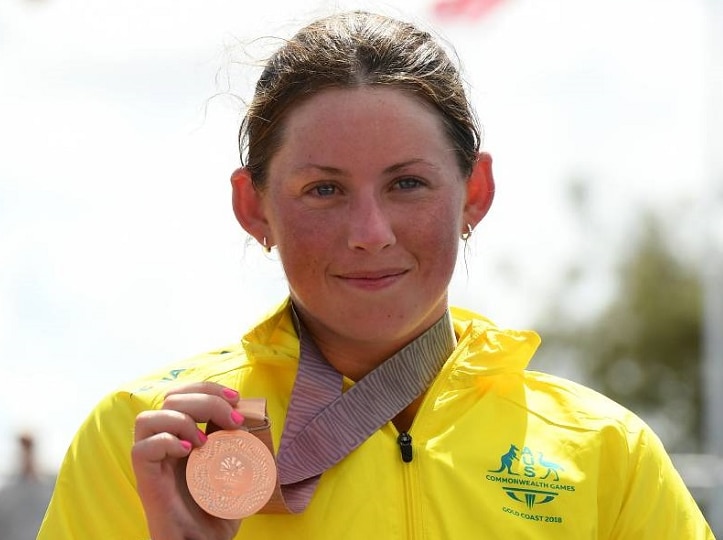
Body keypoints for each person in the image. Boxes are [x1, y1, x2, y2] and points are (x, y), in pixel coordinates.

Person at [38, 9, 714, 540]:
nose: (369, 233)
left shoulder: (602, 451)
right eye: (324, 191)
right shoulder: (149, 441)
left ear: (473, 193)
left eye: (408, 183)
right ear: (254, 207)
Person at [0, 433, 55, 539]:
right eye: (24, 449)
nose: (26, 455)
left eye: (29, 449)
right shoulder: (6, 494)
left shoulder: (49, 492)